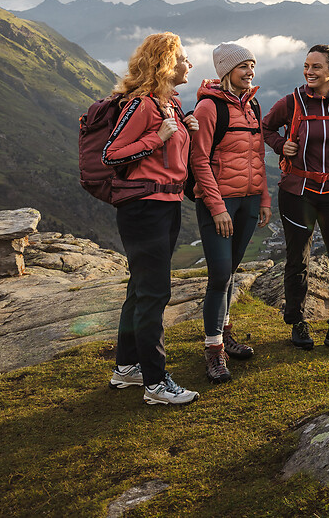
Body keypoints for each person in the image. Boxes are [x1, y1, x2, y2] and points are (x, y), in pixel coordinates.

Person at [103, 32, 200, 405]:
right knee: (155, 292)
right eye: (183, 59)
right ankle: (157, 384)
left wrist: (184, 130)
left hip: (165, 205)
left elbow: (172, 160)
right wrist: (157, 138)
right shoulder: (141, 105)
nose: (188, 65)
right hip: (144, 208)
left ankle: (127, 367)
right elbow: (112, 154)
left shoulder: (169, 105)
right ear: (165, 64)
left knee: (141, 288)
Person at [262, 44, 329, 352]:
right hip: (298, 192)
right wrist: (281, 145)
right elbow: (265, 128)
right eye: (306, 66)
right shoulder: (291, 102)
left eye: (316, 67)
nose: (309, 71)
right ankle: (297, 322)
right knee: (299, 259)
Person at [191, 42, 271, 383]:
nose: (250, 72)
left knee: (232, 270)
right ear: (226, 72)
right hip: (221, 204)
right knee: (220, 275)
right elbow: (199, 161)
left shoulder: (252, 105)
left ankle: (224, 333)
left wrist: (265, 198)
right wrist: (217, 208)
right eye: (243, 67)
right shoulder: (209, 107)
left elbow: (258, 158)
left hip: (250, 202)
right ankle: (214, 351)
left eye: (252, 65)